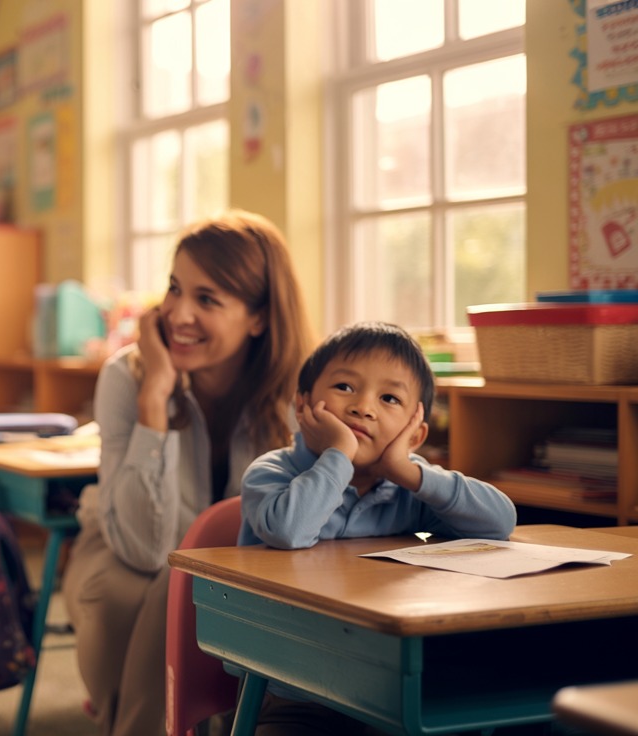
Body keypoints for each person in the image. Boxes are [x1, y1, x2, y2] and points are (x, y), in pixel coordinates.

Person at [62, 209, 313, 736]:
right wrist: (156, 394)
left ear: (260, 318)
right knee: (121, 600)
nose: (178, 313)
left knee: (183, 589)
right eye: (175, 288)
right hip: (119, 543)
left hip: (239, 562)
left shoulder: (302, 392)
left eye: (208, 299)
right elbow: (143, 548)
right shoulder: (126, 377)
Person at [238, 321, 517, 735]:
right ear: (303, 406)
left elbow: (500, 523)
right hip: (291, 689)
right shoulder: (272, 473)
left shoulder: (407, 489)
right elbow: (289, 530)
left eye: (389, 398)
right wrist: (339, 454)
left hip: (385, 690)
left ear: (416, 433)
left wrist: (410, 472)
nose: (363, 407)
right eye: (345, 388)